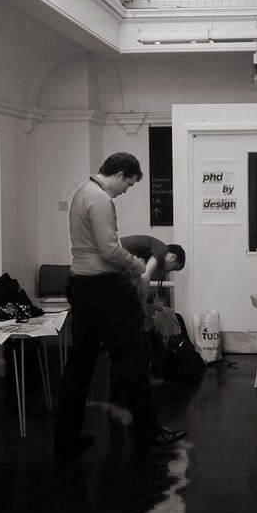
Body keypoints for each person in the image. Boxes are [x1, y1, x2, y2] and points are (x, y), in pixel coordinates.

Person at [54, 152, 187, 454]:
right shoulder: (101, 200)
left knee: (80, 364)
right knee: (134, 359)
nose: (126, 190)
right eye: (128, 183)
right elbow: (110, 250)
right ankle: (148, 432)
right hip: (106, 288)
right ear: (120, 174)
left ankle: (66, 438)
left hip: (81, 284)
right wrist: (137, 265)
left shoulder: (80, 193)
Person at [120, 235, 186, 307]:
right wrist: (143, 306)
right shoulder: (162, 249)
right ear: (173, 257)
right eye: (174, 267)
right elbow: (145, 276)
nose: (168, 271)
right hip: (118, 253)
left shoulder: (153, 252)